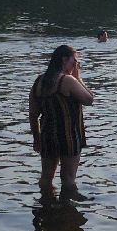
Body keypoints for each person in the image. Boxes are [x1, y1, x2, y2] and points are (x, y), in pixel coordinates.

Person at [29, 45, 94, 195]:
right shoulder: (68, 80)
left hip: (47, 135)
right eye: (75, 61)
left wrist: (36, 139)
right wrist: (78, 77)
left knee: (46, 177)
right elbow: (89, 99)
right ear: (65, 59)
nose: (76, 64)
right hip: (68, 136)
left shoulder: (39, 81)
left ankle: (46, 205)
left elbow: (33, 115)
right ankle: (67, 212)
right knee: (68, 179)